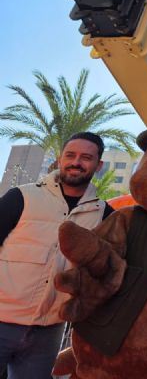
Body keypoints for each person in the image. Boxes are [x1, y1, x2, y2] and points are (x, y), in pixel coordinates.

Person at [0, 132, 112, 378]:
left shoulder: (105, 215)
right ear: (60, 159)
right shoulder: (22, 197)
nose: (76, 162)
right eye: (70, 155)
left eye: (86, 158)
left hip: (49, 332)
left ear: (98, 165)